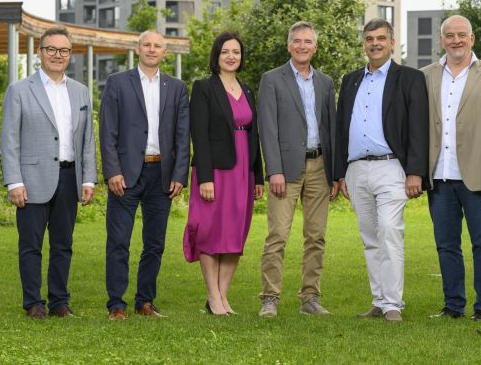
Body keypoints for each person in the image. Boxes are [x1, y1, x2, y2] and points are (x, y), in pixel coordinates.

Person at [334, 18, 429, 322]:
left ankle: (393, 304)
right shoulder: (350, 80)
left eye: (380, 38)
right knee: (370, 236)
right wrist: (340, 172)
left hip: (391, 167)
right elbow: (340, 127)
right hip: (357, 169)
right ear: (364, 43)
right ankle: (379, 300)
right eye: (369, 38)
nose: (374, 43)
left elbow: (418, 127)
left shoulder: (409, 78)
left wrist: (415, 171)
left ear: (391, 42)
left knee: (389, 231)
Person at [421, 15, 481, 322]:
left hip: (479, 175)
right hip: (439, 175)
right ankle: (453, 305)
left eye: (462, 34)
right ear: (441, 40)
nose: (456, 40)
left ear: (472, 38)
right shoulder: (425, 76)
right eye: (450, 35)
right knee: (446, 245)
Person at [0, 26, 97, 319]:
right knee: (31, 245)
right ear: (40, 53)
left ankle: (59, 303)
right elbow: (10, 139)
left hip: (70, 178)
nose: (58, 55)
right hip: (30, 180)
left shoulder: (81, 92)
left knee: (63, 245)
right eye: (51, 49)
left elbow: (87, 140)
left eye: (64, 50)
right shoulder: (19, 90)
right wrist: (14, 181)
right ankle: (33, 303)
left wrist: (89, 178)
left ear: (70, 55)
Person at [99, 29, 190, 320]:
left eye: (158, 46)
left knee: (155, 243)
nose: (152, 49)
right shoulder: (117, 83)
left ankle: (145, 301)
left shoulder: (176, 88)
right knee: (119, 241)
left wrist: (179, 174)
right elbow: (108, 131)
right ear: (138, 49)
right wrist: (112, 170)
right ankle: (116, 304)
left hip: (161, 174)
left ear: (165, 52)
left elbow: (182, 135)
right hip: (125, 174)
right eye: (147, 45)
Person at [257, 21, 338, 318]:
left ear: (315, 47)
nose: (302, 46)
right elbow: (267, 127)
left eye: (308, 41)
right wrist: (273, 170)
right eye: (297, 41)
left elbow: (331, 129)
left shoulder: (326, 82)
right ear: (289, 45)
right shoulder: (272, 79)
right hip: (286, 168)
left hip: (320, 167)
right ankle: (269, 298)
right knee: (277, 234)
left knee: (316, 236)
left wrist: (335, 174)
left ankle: (310, 298)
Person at [183, 31, 264, 316]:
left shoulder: (248, 89)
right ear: (216, 56)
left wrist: (259, 175)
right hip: (216, 171)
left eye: (236, 52)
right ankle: (213, 296)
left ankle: (222, 296)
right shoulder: (204, 87)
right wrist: (204, 176)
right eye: (226, 51)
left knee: (235, 234)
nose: (232, 56)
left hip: (244, 171)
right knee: (211, 232)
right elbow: (199, 134)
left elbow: (254, 135)